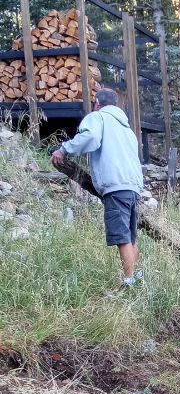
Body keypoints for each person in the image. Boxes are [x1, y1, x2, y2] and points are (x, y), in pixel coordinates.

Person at [51, 88, 144, 287]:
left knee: (122, 237)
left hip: (116, 186)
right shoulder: (127, 130)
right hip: (134, 187)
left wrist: (63, 150)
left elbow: (90, 138)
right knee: (131, 237)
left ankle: (129, 282)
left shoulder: (98, 117)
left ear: (97, 104)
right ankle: (135, 278)